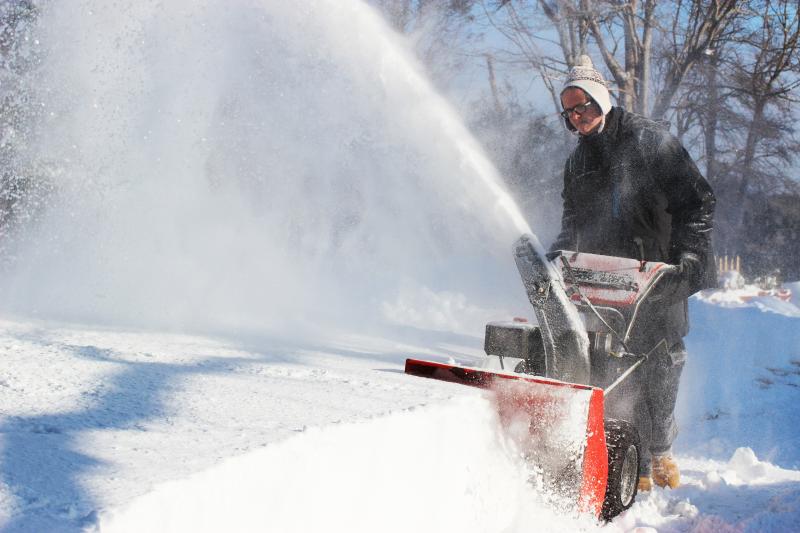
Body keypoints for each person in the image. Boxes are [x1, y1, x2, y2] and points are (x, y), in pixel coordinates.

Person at [550, 56, 716, 491]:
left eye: (582, 105)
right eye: (568, 111)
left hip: (658, 274)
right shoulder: (577, 163)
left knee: (660, 360)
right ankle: (625, 455)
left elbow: (697, 203)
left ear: (601, 99)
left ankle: (658, 451)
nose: (576, 116)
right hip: (603, 278)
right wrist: (559, 256)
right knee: (607, 362)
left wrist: (689, 260)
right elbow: (572, 222)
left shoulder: (648, 141)